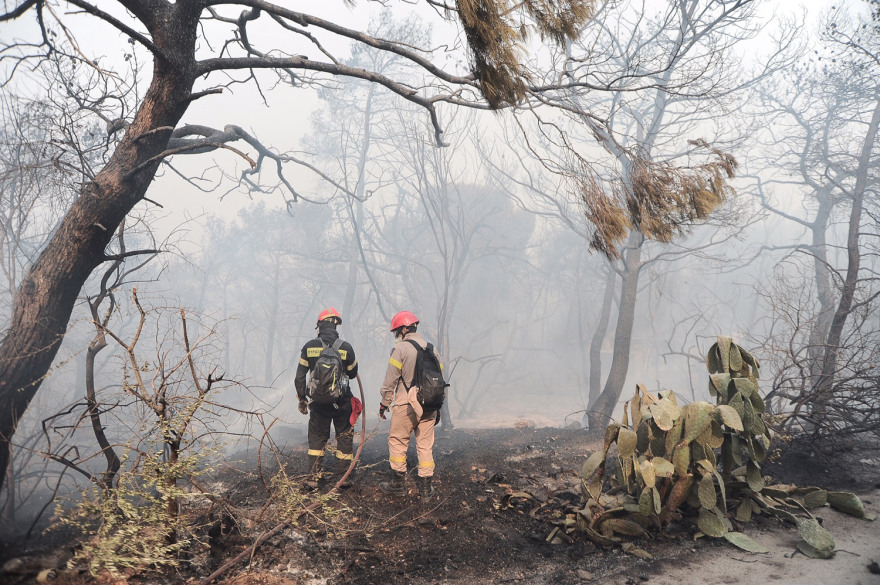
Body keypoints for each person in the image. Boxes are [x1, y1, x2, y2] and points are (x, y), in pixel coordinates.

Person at [378, 310, 443, 501]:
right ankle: (426, 489)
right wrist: (437, 406)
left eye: (397, 331)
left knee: (398, 441)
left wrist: (384, 403)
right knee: (425, 445)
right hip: (429, 405)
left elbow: (390, 380)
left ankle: (398, 484)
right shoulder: (432, 349)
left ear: (404, 329)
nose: (396, 335)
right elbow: (440, 381)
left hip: (406, 405)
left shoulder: (400, 349)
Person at [295, 307, 363, 487]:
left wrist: (302, 399)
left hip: (318, 403)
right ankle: (343, 478)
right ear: (336, 326)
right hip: (342, 402)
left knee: (317, 438)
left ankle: (313, 478)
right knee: (344, 437)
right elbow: (352, 373)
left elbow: (299, 377)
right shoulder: (346, 347)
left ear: (319, 325)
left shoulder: (310, 347)